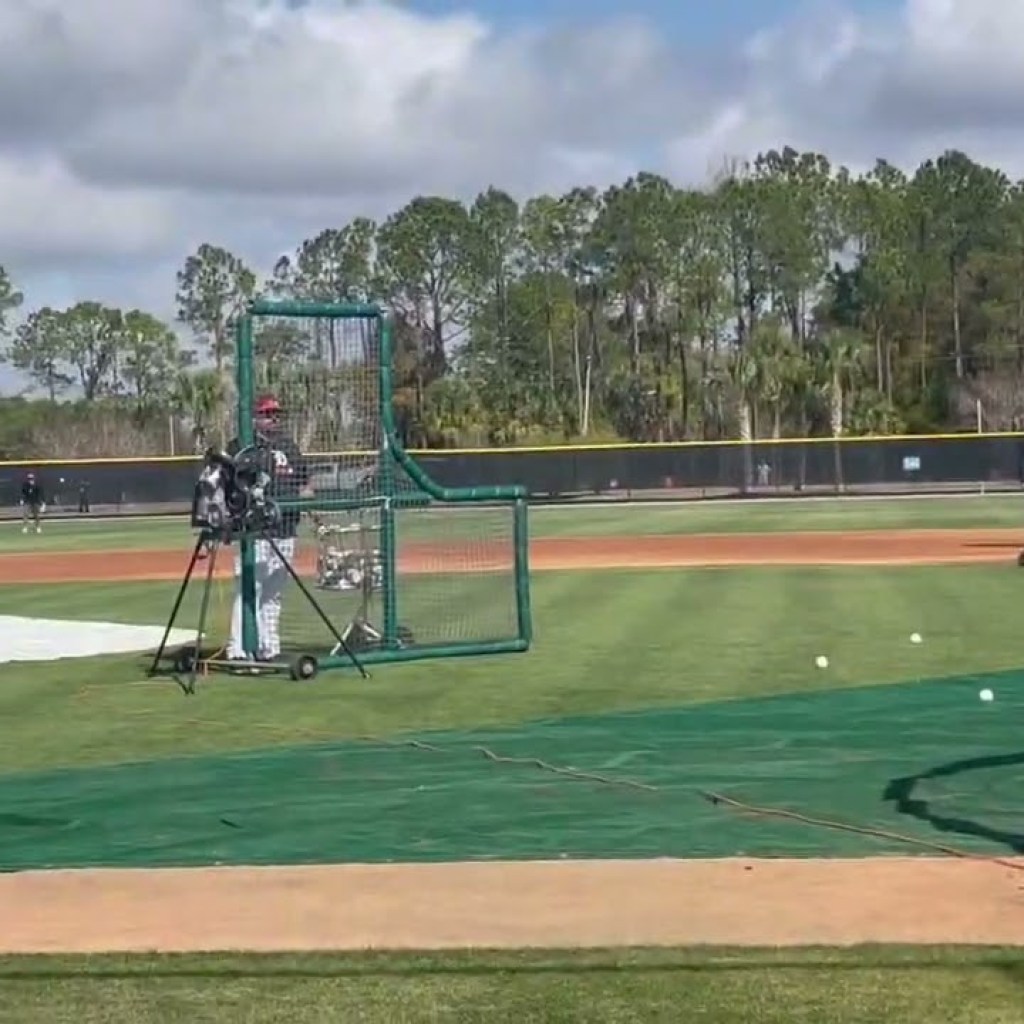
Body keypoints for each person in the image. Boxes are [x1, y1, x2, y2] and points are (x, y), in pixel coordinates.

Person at [225, 394, 311, 664]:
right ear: (254, 417)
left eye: (276, 413)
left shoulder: (288, 445)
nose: (273, 418)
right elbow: (229, 485)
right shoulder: (242, 445)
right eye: (266, 413)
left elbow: (305, 481)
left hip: (286, 527)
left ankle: (268, 648)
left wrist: (308, 500)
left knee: (273, 594)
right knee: (250, 589)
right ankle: (238, 649)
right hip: (257, 530)